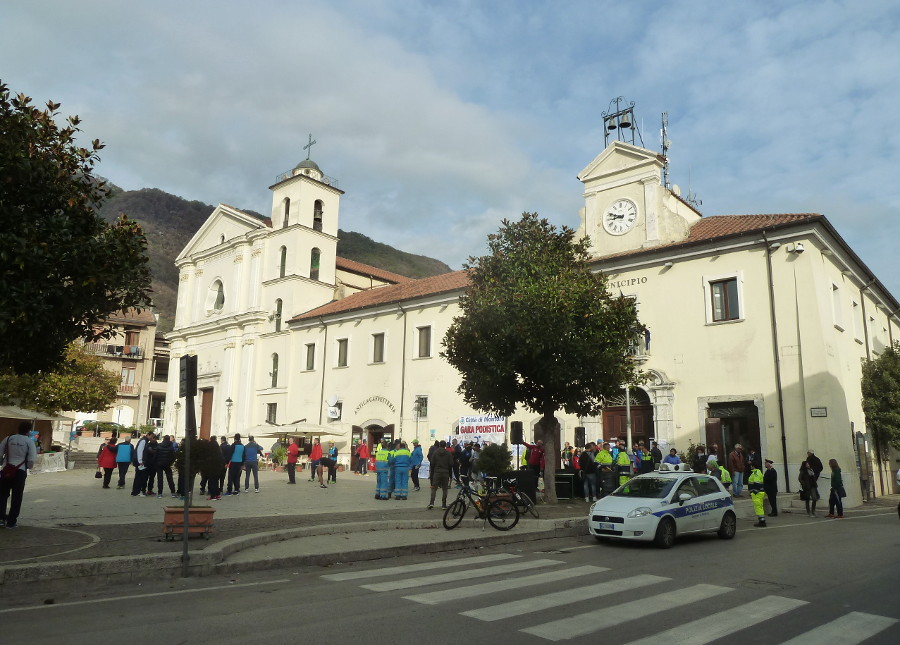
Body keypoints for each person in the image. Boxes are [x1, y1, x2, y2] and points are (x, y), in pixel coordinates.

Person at [0, 422, 37, 528]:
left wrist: (3, 464)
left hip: (6, 469)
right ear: (28, 431)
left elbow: (0, 453)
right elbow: (31, 460)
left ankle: (1, 518)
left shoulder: (8, 439)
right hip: (20, 471)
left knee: (2, 495)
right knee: (17, 497)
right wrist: (27, 467)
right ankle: (11, 522)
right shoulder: (29, 442)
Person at [428, 440, 454, 509]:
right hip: (445, 472)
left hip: (437, 472)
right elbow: (451, 463)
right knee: (445, 489)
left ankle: (431, 503)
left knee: (434, 488)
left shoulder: (435, 452)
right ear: (445, 445)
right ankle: (443, 504)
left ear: (439, 445)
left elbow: (432, 463)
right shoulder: (448, 453)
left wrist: (432, 473)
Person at [131, 432, 152, 497]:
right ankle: (137, 492)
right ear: (148, 435)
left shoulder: (144, 441)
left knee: (139, 476)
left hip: (139, 461)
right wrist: (140, 460)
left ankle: (135, 492)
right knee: (140, 477)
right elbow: (140, 451)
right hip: (140, 462)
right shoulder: (143, 441)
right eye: (151, 436)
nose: (151, 438)